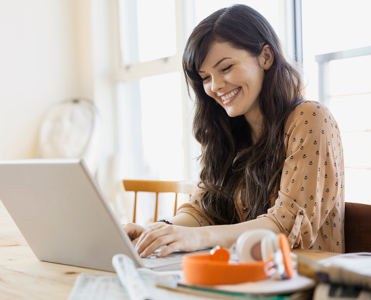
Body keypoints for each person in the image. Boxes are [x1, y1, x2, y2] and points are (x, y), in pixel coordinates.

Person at [122, 4, 345, 258]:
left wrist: (199, 237)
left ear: (266, 56)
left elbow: (285, 224)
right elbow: (202, 209)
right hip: (245, 281)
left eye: (226, 68)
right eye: (205, 77)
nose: (215, 86)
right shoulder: (229, 131)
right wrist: (156, 231)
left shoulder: (310, 118)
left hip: (302, 285)